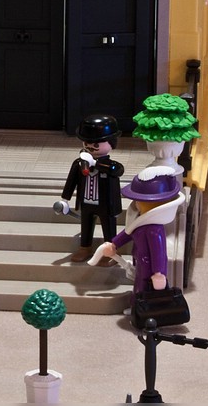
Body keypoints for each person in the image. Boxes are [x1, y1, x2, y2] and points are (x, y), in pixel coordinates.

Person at [89, 165, 185, 294]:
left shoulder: (154, 230)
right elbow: (129, 232)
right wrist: (114, 244)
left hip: (149, 269)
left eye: (140, 201)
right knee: (138, 287)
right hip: (140, 262)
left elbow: (159, 253)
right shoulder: (140, 221)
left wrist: (159, 273)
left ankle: (142, 305)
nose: (136, 203)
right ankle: (136, 303)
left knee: (146, 290)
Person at [61, 114, 125, 264]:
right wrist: (65, 199)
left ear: (111, 143)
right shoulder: (79, 163)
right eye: (87, 143)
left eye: (96, 145)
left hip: (106, 203)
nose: (90, 147)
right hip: (86, 202)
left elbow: (117, 170)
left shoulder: (109, 165)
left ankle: (111, 251)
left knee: (108, 228)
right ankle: (85, 247)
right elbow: (71, 182)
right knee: (86, 226)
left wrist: (95, 164)